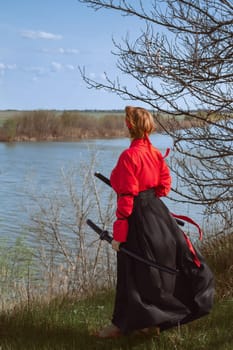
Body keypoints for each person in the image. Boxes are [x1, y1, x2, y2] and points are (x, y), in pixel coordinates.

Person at [97, 106, 214, 338]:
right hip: (158, 214)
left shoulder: (129, 156)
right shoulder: (154, 153)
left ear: (129, 126)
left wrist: (119, 237)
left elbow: (126, 199)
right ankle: (149, 323)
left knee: (132, 270)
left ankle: (121, 326)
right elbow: (164, 187)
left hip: (137, 216)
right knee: (151, 270)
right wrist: (146, 190)